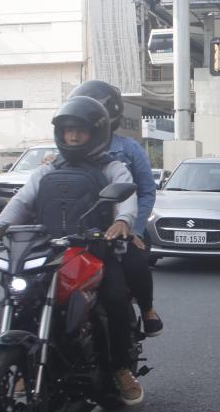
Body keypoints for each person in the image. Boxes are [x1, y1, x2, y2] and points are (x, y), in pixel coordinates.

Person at [0, 96, 145, 405]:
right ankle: (23, 362)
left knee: (116, 299)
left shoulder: (112, 167)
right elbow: (22, 202)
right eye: (67, 131)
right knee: (21, 297)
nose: (73, 137)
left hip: (94, 251)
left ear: (96, 133)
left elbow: (126, 197)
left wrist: (122, 221)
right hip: (48, 252)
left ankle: (120, 369)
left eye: (80, 131)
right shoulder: (46, 170)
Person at [68, 80, 161, 338]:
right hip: (79, 232)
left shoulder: (127, 150)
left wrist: (132, 228)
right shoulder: (66, 153)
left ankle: (148, 311)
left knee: (132, 265)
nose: (75, 135)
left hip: (120, 229)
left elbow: (144, 191)